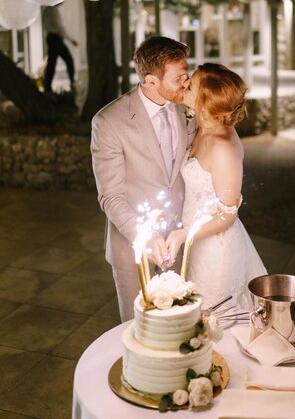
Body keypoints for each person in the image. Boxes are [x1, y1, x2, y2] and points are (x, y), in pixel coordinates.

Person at [91, 36, 192, 322]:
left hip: (182, 245)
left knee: (180, 329)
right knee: (138, 332)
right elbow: (110, 196)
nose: (187, 83)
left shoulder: (188, 108)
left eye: (187, 74)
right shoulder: (108, 122)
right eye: (179, 78)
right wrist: (143, 236)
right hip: (132, 248)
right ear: (151, 81)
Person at [165, 62, 267, 308]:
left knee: (214, 319)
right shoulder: (203, 126)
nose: (186, 83)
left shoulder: (223, 147)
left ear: (205, 99)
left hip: (216, 252)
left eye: (192, 84)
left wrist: (183, 234)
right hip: (196, 243)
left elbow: (228, 215)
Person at [42, 4, 78, 92]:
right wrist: (70, 39)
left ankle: (48, 86)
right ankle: (48, 87)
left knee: (54, 63)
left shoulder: (46, 10)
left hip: (53, 38)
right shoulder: (52, 10)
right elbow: (59, 27)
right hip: (55, 39)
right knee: (55, 63)